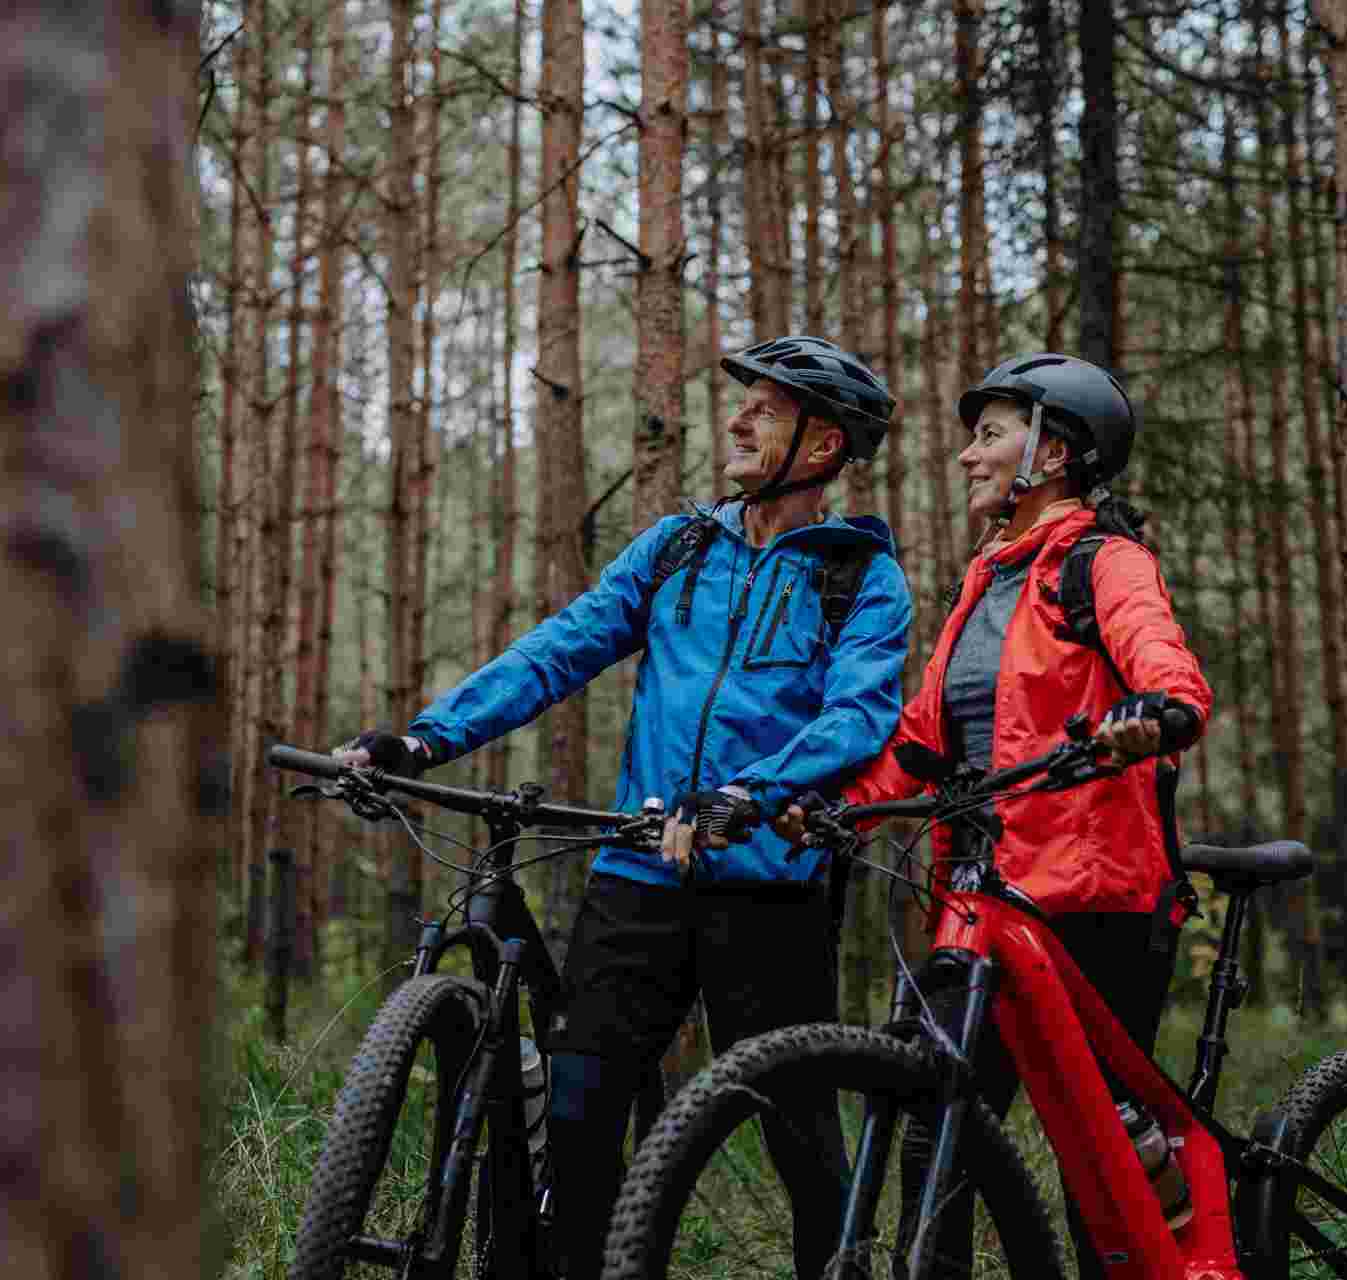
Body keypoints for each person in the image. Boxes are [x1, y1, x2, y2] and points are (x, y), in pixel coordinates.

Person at [335, 335, 913, 1280]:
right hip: (637, 871)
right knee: (580, 1110)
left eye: (766, 408)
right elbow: (559, 649)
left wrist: (748, 795)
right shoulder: (680, 547)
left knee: (797, 1127)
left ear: (822, 447)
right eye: (746, 402)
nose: (737, 417)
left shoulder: (859, 579)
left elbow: (857, 718)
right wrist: (424, 738)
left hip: (766, 884)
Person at [779, 351, 1212, 1279]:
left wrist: (1157, 709)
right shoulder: (985, 584)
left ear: (1051, 454)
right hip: (981, 897)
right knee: (935, 1124)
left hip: (1093, 900)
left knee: (1102, 1161)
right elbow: (921, 744)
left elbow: (1158, 654)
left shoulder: (1107, 558)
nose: (968, 457)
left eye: (990, 436)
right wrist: (833, 808)